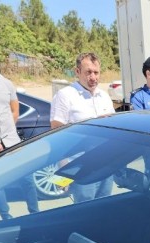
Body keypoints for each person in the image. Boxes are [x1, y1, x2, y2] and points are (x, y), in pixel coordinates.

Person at [51, 52, 116, 203]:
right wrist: (64, 173)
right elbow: (56, 133)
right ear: (77, 71)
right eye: (88, 72)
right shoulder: (65, 96)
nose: (93, 77)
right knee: (84, 214)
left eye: (96, 72)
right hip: (81, 169)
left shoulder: (104, 96)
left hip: (106, 165)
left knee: (105, 209)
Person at [0, 51, 38, 219]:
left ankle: (35, 213)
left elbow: (15, 110)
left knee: (27, 179)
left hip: (13, 141)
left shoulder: (7, 84)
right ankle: (6, 217)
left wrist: (8, 132)